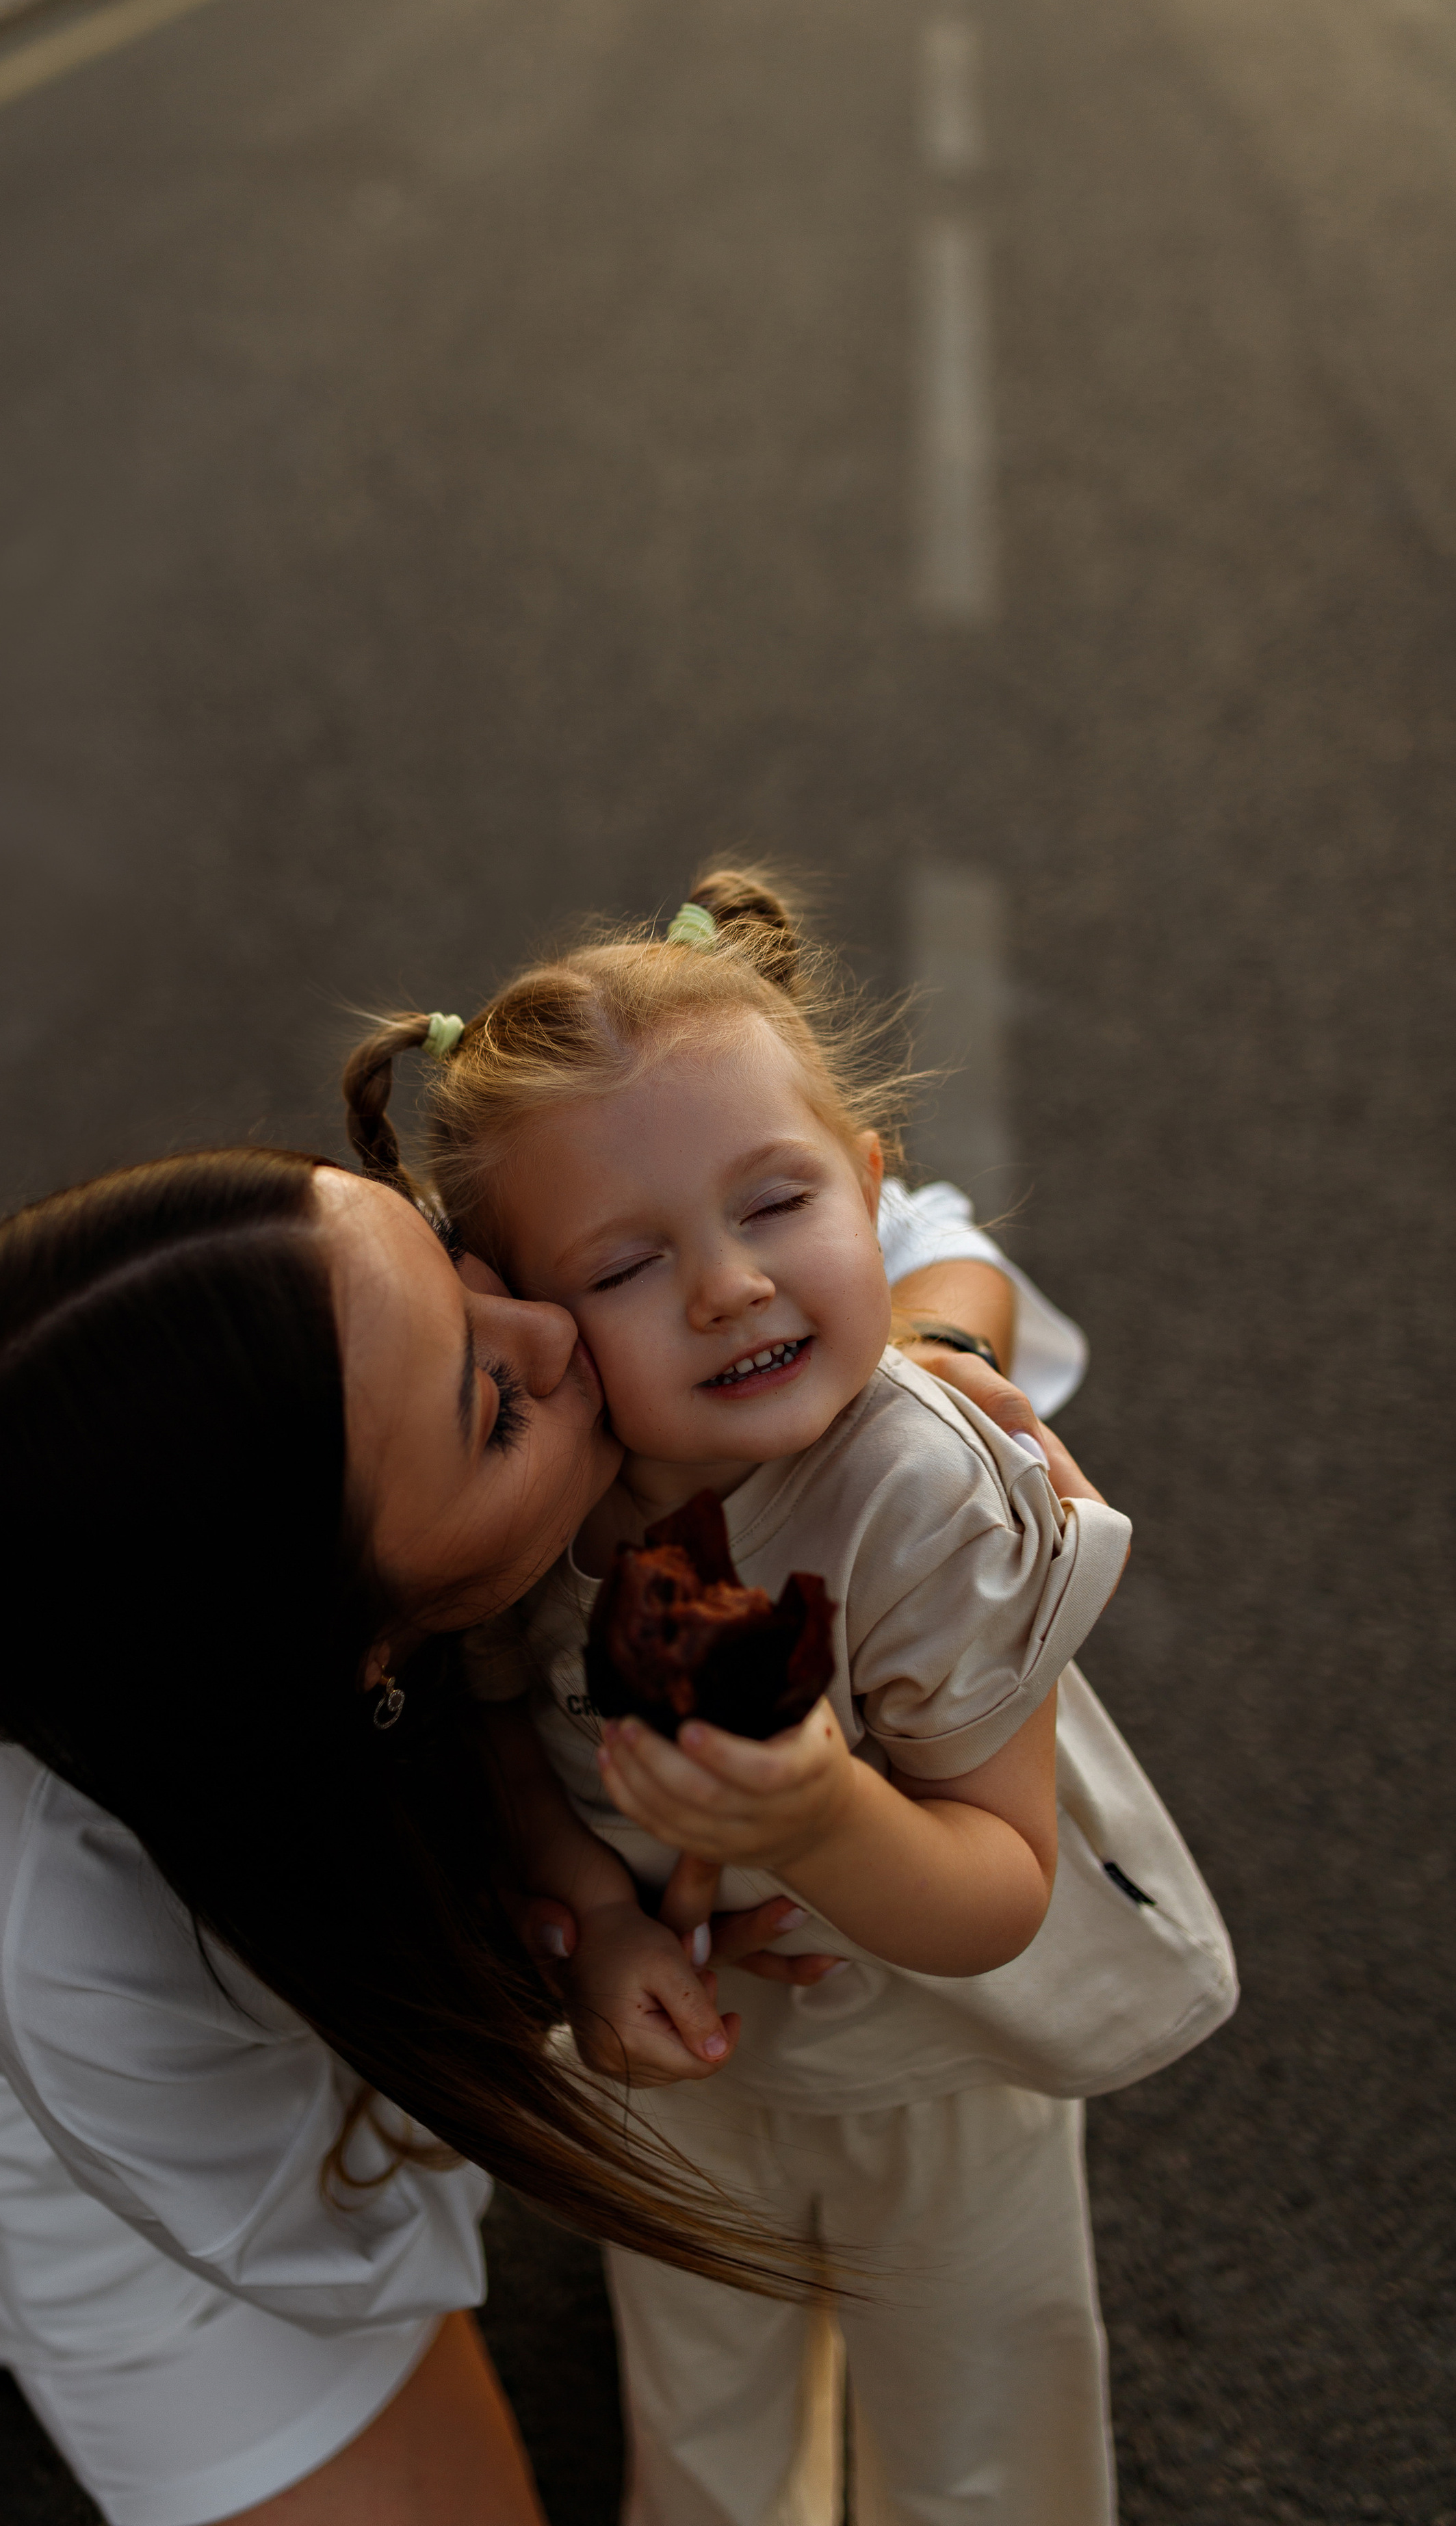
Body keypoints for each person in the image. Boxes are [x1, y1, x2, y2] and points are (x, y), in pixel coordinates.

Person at [0, 1131, 1079, 2526]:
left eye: (456, 1258)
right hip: (207, 2208)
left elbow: (865, 1197)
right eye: (494, 1409)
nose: (561, 1326)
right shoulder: (93, 1954)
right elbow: (319, 2244)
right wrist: (548, 1984)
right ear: (356, 1651)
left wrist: (912, 1381)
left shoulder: (339, 1306)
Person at [341, 867, 1237, 2526]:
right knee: (703, 2420)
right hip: (685, 2072)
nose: (729, 1287)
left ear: (865, 1183)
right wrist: (597, 1931)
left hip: (932, 2071)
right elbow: (495, 1729)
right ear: (520, 1311)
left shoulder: (925, 1502)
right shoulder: (542, 1495)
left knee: (976, 2432)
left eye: (775, 1207)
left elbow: (994, 1897)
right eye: (626, 1265)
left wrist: (820, 1812)